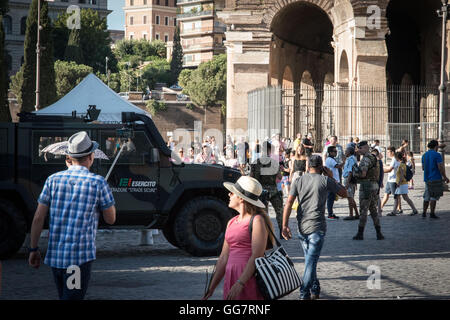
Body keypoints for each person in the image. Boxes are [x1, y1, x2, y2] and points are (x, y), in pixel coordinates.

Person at [28, 131, 116, 300]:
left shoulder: (52, 180)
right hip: (78, 259)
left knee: (64, 296)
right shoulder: (98, 182)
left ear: (68, 158)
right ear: (90, 157)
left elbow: (38, 218)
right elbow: (111, 219)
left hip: (56, 257)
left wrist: (33, 248)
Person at [282, 155, 347, 300]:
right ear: (321, 166)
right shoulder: (326, 180)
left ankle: (315, 288)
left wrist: (284, 225)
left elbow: (288, 203)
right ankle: (304, 293)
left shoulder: (298, 180)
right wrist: (332, 176)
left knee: (310, 260)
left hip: (302, 227)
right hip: (317, 227)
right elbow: (344, 193)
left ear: (308, 166)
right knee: (310, 262)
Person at [203, 176, 275, 300]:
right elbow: (223, 258)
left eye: (232, 192)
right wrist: (211, 287)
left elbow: (257, 256)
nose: (229, 194)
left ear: (241, 198)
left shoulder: (257, 220)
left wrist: (240, 283)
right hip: (232, 278)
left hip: (248, 278)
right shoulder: (231, 222)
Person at [250, 141, 284, 237]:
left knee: (264, 213)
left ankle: (266, 233)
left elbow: (251, 177)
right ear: (269, 150)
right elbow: (280, 177)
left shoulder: (255, 163)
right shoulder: (274, 162)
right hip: (273, 190)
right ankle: (281, 231)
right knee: (279, 211)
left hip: (260, 191)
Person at [352, 141, 384, 240]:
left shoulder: (365, 159)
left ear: (365, 148)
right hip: (374, 185)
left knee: (363, 210)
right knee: (373, 210)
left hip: (367, 186)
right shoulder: (374, 157)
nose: (358, 150)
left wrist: (355, 173)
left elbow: (363, 174)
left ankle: (360, 233)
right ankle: (379, 233)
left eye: (360, 148)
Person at [422, 140, 449, 219]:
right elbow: (440, 167)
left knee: (426, 196)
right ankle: (432, 213)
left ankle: (424, 212)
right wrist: (445, 177)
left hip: (427, 178)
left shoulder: (424, 155)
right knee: (433, 196)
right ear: (436, 146)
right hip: (435, 178)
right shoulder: (437, 155)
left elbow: (423, 168)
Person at [390, 152, 419, 216]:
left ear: (397, 158)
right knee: (398, 197)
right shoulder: (403, 164)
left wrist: (399, 183)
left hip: (401, 184)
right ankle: (394, 211)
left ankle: (414, 210)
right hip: (403, 183)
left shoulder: (401, 165)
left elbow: (402, 174)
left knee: (405, 198)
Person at [381, 146, 402, 215]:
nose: (387, 153)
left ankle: (396, 210)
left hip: (393, 180)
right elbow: (391, 168)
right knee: (386, 194)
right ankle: (380, 207)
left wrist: (381, 170)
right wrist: (384, 166)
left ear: (392, 152)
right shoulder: (394, 159)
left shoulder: (394, 159)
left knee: (396, 196)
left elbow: (390, 169)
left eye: (388, 152)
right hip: (390, 179)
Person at [324, 146, 342, 220]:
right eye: (335, 151)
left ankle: (330, 213)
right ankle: (330, 214)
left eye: (336, 151)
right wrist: (344, 161)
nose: (336, 153)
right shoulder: (330, 159)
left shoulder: (331, 159)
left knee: (331, 197)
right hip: (332, 181)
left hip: (333, 180)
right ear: (330, 152)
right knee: (330, 198)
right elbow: (338, 166)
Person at [343, 146, 359, 220]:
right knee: (351, 197)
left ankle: (351, 214)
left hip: (348, 179)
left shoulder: (350, 159)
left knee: (349, 198)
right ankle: (356, 213)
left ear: (349, 152)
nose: (345, 152)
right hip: (350, 180)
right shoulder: (352, 158)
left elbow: (350, 172)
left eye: (346, 151)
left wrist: (347, 183)